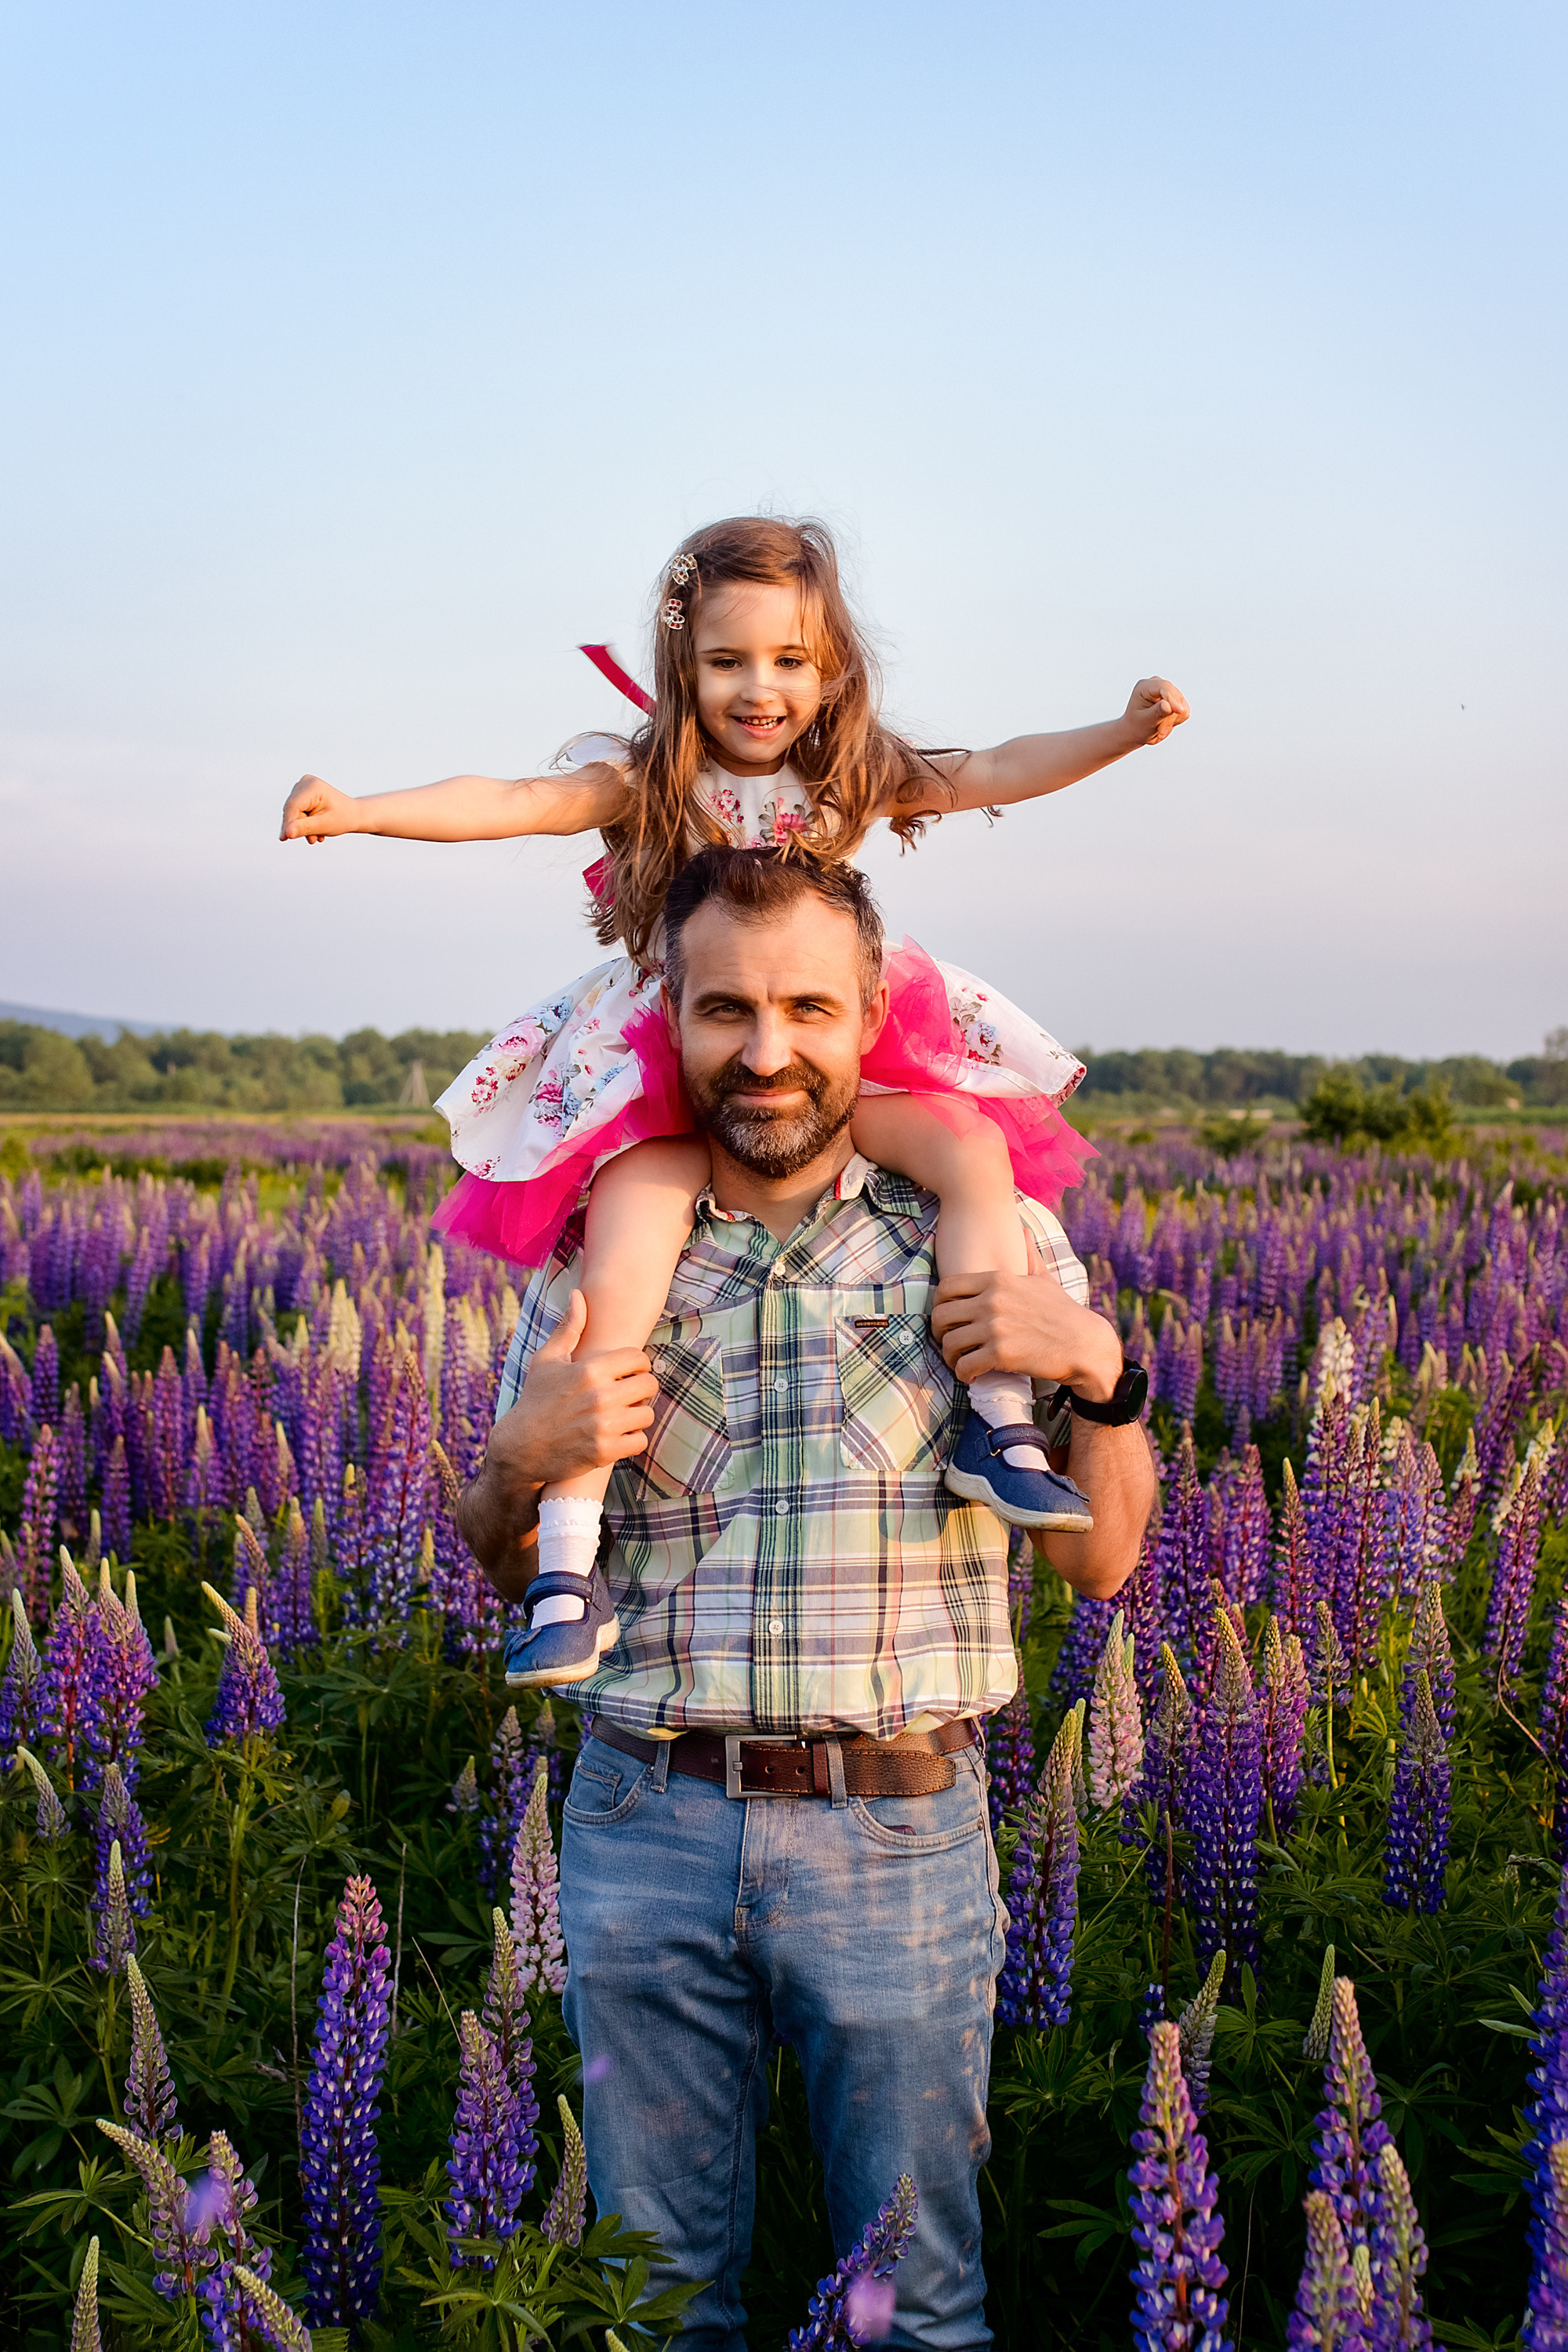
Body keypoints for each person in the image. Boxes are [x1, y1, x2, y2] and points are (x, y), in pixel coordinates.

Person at [280, 516, 1186, 1686]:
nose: (760, 690)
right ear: (683, 666)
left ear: (833, 668)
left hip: (831, 1025)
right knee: (623, 1262)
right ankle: (565, 1568)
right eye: (728, 662)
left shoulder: (851, 774)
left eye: (790, 661)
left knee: (969, 1147)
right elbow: (510, 797)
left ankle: (999, 1419)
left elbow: (1000, 767)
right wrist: (360, 809)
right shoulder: (645, 775)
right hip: (674, 1054)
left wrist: (1124, 730)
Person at [456, 846, 1156, 2350]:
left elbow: (1098, 1565)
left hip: (895, 1833)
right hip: (646, 1824)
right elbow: (499, 1556)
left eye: (806, 1009)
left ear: (867, 1016)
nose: (765, 1051)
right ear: (674, 1020)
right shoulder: (610, 1244)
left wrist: (1106, 1376)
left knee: (913, 2309)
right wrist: (517, 1462)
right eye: (726, 1010)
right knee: (658, 2301)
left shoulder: (986, 1230)